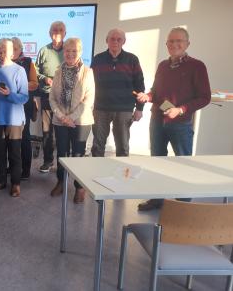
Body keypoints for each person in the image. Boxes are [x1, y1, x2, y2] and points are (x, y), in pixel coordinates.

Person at [135, 27, 211, 211]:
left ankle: (182, 205)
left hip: (181, 123)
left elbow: (204, 97)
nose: (175, 45)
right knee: (157, 161)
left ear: (187, 44)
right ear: (166, 44)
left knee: (183, 163)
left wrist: (181, 110)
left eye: (179, 41)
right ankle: (157, 199)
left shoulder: (197, 66)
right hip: (157, 121)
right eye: (171, 41)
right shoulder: (162, 65)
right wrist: (148, 96)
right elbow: (157, 92)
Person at [49, 38, 95, 202]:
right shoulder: (57, 71)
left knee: (78, 154)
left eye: (74, 51)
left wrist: (71, 118)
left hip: (81, 121)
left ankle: (79, 187)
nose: (70, 54)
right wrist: (62, 117)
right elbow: (52, 97)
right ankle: (61, 182)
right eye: (67, 50)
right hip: (60, 120)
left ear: (80, 53)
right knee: (61, 153)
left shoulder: (88, 72)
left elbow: (88, 100)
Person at [0, 38, 28, 197]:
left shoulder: (19, 71)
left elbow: (24, 97)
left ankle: (15, 183)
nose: (2, 55)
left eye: (5, 51)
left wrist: (10, 94)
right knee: (0, 153)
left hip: (14, 121)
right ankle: (0, 180)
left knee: (15, 153)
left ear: (11, 52)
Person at [90, 29, 145, 158]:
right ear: (107, 40)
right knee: (97, 146)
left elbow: (139, 85)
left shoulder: (132, 59)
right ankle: (95, 174)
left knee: (123, 147)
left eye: (119, 39)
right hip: (100, 109)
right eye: (112, 39)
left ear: (124, 41)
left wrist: (140, 109)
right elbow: (90, 84)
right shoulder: (98, 59)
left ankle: (122, 176)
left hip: (124, 109)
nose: (115, 41)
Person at [35, 21, 66, 173]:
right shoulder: (43, 51)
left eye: (60, 30)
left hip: (65, 98)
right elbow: (35, 71)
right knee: (47, 131)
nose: (57, 32)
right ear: (49, 33)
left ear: (65, 33)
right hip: (47, 95)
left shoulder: (70, 50)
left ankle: (63, 163)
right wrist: (44, 78)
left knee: (62, 131)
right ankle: (48, 161)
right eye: (54, 30)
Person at [11, 37, 38, 179]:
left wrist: (17, 86)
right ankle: (13, 166)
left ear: (21, 49)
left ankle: (26, 170)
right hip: (8, 105)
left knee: (24, 137)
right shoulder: (4, 63)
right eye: (11, 49)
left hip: (23, 105)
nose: (12, 52)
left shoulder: (28, 62)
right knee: (10, 137)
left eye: (15, 49)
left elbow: (34, 84)